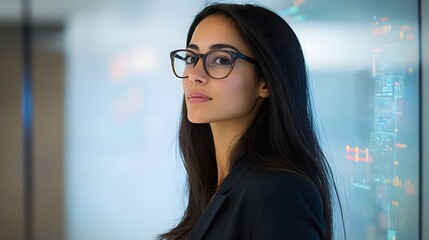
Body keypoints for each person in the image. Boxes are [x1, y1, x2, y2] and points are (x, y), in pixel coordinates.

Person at [159, 3, 343, 240]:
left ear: (265, 82)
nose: (194, 74)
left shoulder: (282, 192)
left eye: (221, 60)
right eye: (191, 57)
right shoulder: (217, 187)